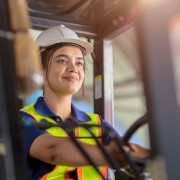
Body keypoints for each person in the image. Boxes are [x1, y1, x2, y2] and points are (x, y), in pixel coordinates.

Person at [20, 25, 150, 180]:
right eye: (62, 60)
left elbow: (127, 149)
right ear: (41, 68)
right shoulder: (25, 121)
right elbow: (54, 150)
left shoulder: (96, 123)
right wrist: (108, 154)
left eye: (79, 63)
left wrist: (161, 157)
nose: (73, 68)